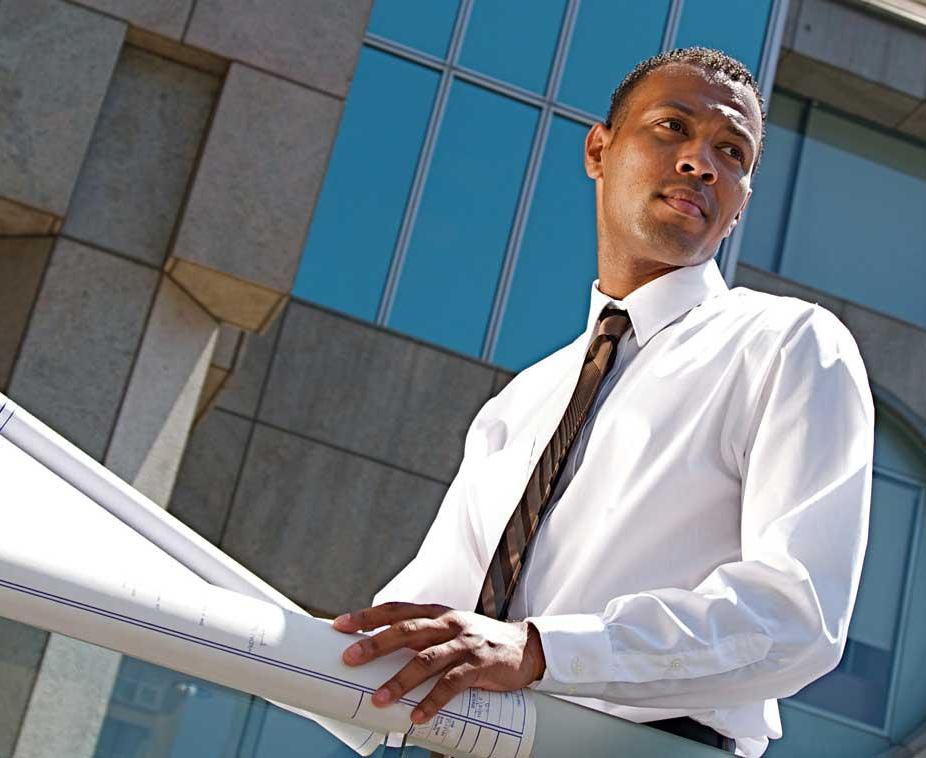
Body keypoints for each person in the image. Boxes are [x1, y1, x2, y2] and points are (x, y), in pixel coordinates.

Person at [331, 47, 875, 757]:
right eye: (672, 126)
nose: (701, 163)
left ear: (739, 202)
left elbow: (798, 617)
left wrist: (544, 651)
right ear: (598, 148)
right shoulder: (521, 403)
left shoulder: (787, 344)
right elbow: (421, 628)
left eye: (731, 152)